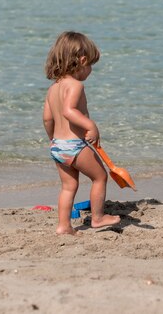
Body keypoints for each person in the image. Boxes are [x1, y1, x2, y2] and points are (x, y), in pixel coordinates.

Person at [43, 31, 120, 235]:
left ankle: (64, 226)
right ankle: (97, 217)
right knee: (100, 177)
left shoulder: (53, 88)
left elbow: (47, 118)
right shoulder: (76, 85)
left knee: (68, 187)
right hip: (74, 146)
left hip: (58, 146)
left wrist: (52, 138)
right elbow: (69, 111)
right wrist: (90, 125)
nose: (90, 70)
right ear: (83, 60)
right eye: (91, 65)